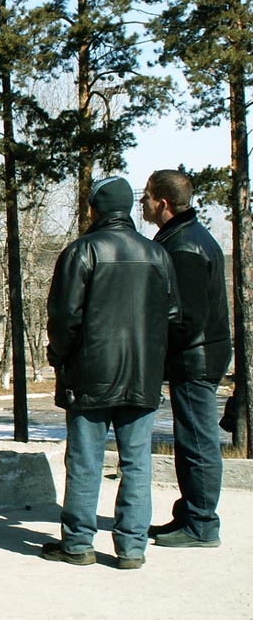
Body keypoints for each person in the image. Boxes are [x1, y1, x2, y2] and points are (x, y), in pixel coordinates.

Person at [44, 176, 179, 570]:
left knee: (85, 459)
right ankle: (133, 549)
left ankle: (78, 544)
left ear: (94, 209)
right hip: (142, 374)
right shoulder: (157, 254)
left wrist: (61, 357)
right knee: (137, 461)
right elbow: (173, 314)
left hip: (90, 374)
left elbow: (64, 317)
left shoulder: (82, 251)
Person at [140, 169, 231, 548]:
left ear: (162, 202)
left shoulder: (184, 246)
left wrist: (156, 349)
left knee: (197, 441)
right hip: (198, 355)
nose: (141, 204)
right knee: (192, 439)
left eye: (145, 197)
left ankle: (202, 524)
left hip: (196, 358)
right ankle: (191, 513)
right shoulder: (186, 238)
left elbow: (188, 317)